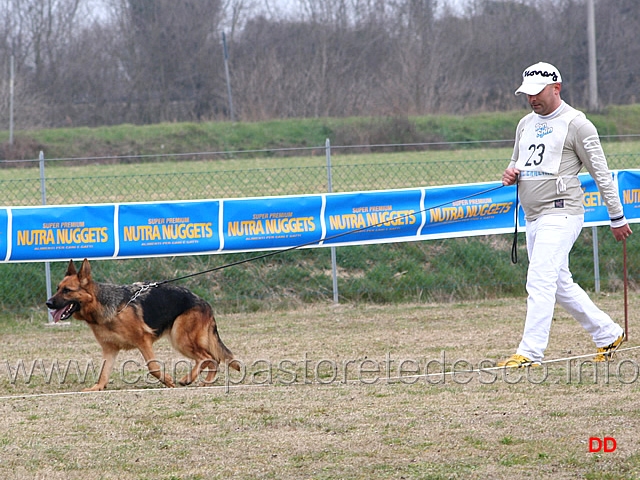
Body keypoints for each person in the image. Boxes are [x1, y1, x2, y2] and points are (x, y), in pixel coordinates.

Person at [498, 61, 633, 368]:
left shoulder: (578, 125)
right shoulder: (524, 124)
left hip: (562, 213)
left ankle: (529, 354)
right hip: (533, 216)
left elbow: (601, 174)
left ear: (556, 88)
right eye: (527, 94)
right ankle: (608, 333)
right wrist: (511, 173)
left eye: (537, 92)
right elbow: (517, 163)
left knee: (540, 279)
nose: (532, 99)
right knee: (559, 284)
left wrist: (617, 217)